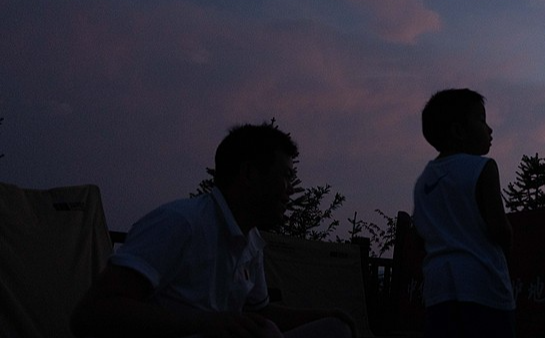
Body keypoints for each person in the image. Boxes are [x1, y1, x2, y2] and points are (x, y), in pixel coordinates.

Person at [71, 122, 355, 338]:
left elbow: (257, 312)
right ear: (249, 174)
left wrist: (323, 315)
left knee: (334, 329)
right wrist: (208, 321)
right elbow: (92, 314)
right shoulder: (181, 224)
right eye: (285, 177)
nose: (290, 191)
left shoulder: (250, 240)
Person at [413, 89, 516, 338]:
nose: (489, 129)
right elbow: (499, 229)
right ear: (459, 131)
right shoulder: (482, 168)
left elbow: (420, 236)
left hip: (438, 289)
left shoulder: (424, 180)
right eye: (481, 120)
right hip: (483, 286)